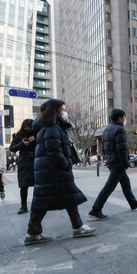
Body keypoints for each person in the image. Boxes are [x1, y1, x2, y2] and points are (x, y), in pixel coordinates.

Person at [24, 99, 95, 245]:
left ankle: (77, 227)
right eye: (63, 109)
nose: (65, 112)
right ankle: (33, 233)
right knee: (43, 201)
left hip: (50, 171)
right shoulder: (51, 129)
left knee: (68, 198)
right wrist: (67, 164)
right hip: (54, 172)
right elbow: (55, 152)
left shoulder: (50, 127)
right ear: (55, 111)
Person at [88, 109, 137, 220]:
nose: (124, 120)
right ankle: (95, 209)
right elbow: (122, 149)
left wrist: (107, 159)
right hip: (118, 162)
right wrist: (125, 162)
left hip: (111, 161)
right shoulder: (119, 130)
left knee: (125, 183)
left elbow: (103, 148)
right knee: (110, 186)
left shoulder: (106, 129)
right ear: (119, 118)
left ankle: (133, 204)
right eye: (124, 117)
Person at [9, 119, 37, 214]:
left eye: (30, 127)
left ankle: (37, 204)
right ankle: (23, 206)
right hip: (24, 161)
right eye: (26, 127)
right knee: (23, 185)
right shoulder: (18, 135)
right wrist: (22, 144)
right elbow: (12, 148)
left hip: (36, 160)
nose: (28, 129)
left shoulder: (37, 134)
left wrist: (34, 141)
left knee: (38, 184)